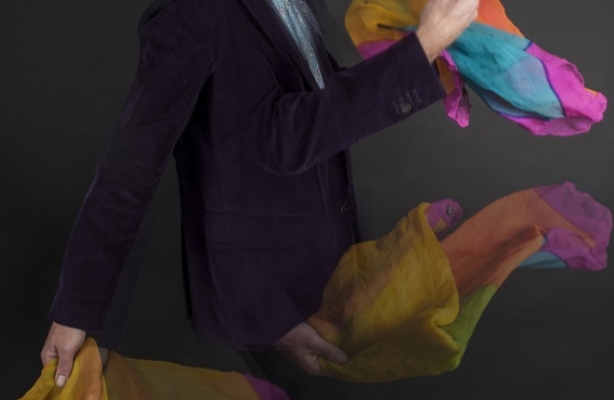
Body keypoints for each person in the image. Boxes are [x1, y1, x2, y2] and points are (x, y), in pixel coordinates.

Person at [40, 0, 479, 393]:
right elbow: (134, 167)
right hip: (267, 304)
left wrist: (428, 64)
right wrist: (76, 311)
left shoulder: (295, 4)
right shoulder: (188, 13)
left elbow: (319, 101)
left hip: (331, 277)